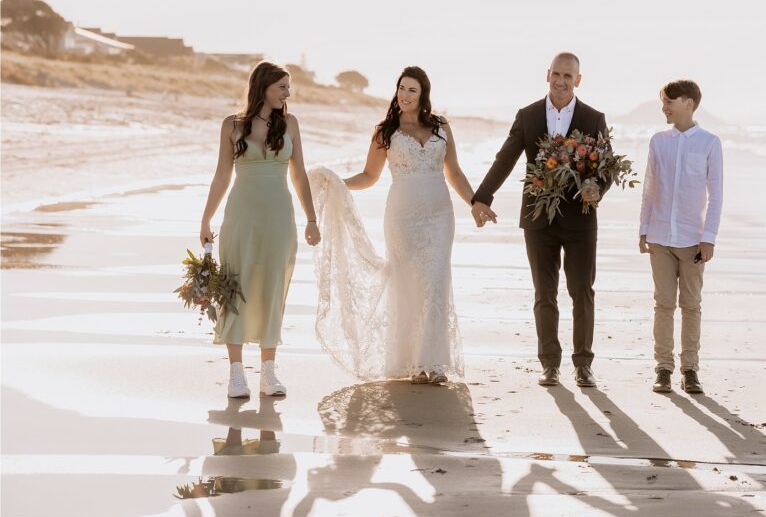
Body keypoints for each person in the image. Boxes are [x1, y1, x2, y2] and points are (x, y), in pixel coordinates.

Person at [309, 67, 474, 384]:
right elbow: (369, 176)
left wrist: (475, 202)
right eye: (401, 88)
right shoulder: (385, 131)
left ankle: (435, 362)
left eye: (412, 90)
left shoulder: (441, 127)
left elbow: (454, 172)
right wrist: (338, 184)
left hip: (440, 216)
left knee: (437, 281)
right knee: (408, 284)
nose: (405, 95)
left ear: (423, 94)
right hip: (402, 219)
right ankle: (413, 363)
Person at [471, 53, 610, 389]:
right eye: (556, 74)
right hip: (538, 219)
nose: (561, 81)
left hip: (580, 220)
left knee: (581, 292)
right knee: (544, 293)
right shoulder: (529, 115)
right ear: (547, 75)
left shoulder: (594, 118)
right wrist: (482, 197)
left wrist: (597, 188)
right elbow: (505, 158)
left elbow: (605, 167)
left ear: (579, 80)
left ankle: (583, 365)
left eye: (568, 76)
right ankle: (550, 364)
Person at [199, 62, 320, 399]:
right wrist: (206, 219)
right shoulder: (231, 125)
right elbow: (222, 175)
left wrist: (311, 219)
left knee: (273, 287)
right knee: (235, 287)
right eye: (282, 86)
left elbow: (300, 175)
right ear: (263, 87)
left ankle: (268, 371)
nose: (287, 93)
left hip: (280, 216)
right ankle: (236, 374)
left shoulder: (291, 123)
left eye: (289, 87)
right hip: (242, 215)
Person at [639, 80, 723, 395]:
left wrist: (709, 237)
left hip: (692, 239)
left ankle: (690, 370)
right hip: (660, 236)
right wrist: (643, 229)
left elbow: (716, 196)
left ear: (687, 102)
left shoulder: (709, 143)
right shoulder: (658, 142)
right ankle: (663, 369)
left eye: (669, 102)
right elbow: (650, 187)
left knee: (691, 305)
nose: (664, 107)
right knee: (663, 305)